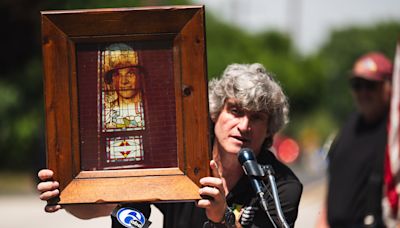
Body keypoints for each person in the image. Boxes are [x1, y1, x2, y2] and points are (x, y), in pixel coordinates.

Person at [38, 63, 303, 227]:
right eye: (235, 111)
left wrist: (222, 216)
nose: (244, 126)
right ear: (215, 113)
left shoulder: (282, 185)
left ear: (270, 127)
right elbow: (113, 204)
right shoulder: (181, 160)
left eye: (256, 117)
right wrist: (67, 195)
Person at [317, 52, 393, 228]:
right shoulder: (349, 126)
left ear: (389, 86)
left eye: (371, 85)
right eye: (357, 85)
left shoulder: (393, 134)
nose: (363, 92)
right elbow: (334, 184)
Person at [103, 43, 145, 131]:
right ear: (112, 79)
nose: (124, 81)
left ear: (139, 76)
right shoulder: (106, 112)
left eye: (130, 74)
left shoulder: (146, 109)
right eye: (118, 75)